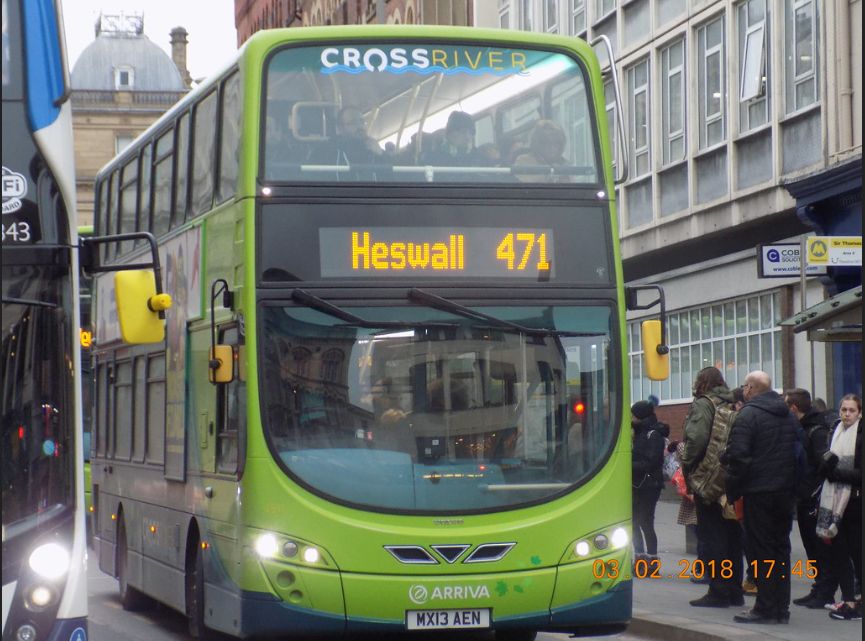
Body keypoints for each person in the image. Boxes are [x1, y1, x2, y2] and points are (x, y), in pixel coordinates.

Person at [723, 371, 799, 624]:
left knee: (761, 551)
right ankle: (781, 608)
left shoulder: (748, 415)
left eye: (745, 386)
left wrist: (733, 489)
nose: (744, 390)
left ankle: (765, 608)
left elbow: (739, 458)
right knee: (781, 549)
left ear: (751, 389)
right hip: (784, 492)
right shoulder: (788, 415)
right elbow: (799, 451)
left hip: (758, 492)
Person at [680, 367, 744, 608]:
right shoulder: (733, 402)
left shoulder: (703, 404)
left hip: (708, 478)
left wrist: (688, 465)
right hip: (729, 476)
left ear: (701, 383)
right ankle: (734, 590)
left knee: (712, 536)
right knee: (733, 536)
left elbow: (695, 439)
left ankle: (718, 591)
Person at [785, 388, 838, 609]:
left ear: (794, 408)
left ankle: (825, 591)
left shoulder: (815, 431)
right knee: (811, 546)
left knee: (819, 547)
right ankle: (819, 587)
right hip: (805, 495)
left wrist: (811, 489)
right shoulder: (805, 428)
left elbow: (822, 463)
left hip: (813, 498)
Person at [816, 394, 862, 621]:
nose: (846, 414)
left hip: (854, 503)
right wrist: (825, 467)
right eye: (844, 409)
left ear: (859, 412)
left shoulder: (860, 436)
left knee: (856, 553)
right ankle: (849, 598)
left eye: (852, 410)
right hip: (836, 503)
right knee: (840, 553)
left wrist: (834, 473)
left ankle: (857, 601)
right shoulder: (836, 432)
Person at [630, 399, 668, 563]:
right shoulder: (638, 433)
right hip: (637, 484)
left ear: (640, 416)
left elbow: (651, 461)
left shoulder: (653, 434)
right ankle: (640, 556)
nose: (630, 418)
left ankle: (652, 560)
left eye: (633, 415)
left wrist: (628, 465)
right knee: (633, 521)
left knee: (645, 521)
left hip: (650, 485)